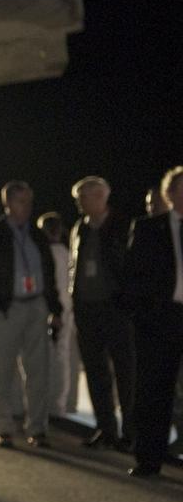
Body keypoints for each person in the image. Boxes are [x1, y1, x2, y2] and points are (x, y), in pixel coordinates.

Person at [0, 182, 61, 448]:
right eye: (21, 202)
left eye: (29, 202)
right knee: (2, 372)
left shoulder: (38, 235)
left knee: (38, 371)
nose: (26, 208)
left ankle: (37, 428)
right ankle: (3, 427)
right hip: (4, 309)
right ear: (7, 203)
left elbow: (49, 273)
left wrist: (54, 309)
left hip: (36, 306)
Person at [69, 175, 135, 450]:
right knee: (96, 372)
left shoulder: (123, 226)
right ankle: (105, 428)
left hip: (116, 309)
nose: (81, 203)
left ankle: (130, 432)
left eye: (85, 197)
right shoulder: (79, 228)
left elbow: (131, 269)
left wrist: (126, 301)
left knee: (126, 373)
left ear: (101, 197)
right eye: (79, 199)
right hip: (87, 309)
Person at [125, 166, 183, 477]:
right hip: (161, 320)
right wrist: (143, 314)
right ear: (169, 194)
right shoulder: (149, 228)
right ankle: (149, 457)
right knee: (154, 391)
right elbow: (132, 276)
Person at [38, 211, 79, 416]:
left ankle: (54, 404)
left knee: (53, 356)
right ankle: (62, 402)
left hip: (53, 309)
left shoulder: (46, 254)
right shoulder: (66, 252)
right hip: (66, 308)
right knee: (63, 356)